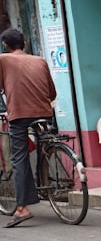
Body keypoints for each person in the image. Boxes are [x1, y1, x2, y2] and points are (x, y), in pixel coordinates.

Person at [0, 28, 58, 228]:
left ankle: (22, 208)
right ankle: (45, 181)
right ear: (24, 44)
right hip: (44, 112)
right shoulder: (40, 61)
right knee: (44, 145)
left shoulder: (3, 60)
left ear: (5, 46)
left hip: (20, 116)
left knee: (19, 157)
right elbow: (52, 93)